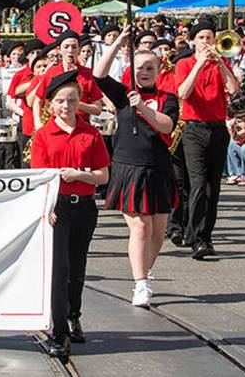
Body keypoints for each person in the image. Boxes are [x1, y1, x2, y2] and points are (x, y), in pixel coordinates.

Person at [94, 26, 178, 308]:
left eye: (149, 68)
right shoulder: (123, 94)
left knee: (157, 230)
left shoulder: (168, 98)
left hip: (158, 167)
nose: (144, 73)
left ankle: (145, 271)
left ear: (158, 71)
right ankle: (140, 283)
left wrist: (143, 106)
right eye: (140, 68)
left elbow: (166, 125)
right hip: (129, 167)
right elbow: (99, 74)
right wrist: (118, 41)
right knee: (140, 227)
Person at [32, 70, 110, 359]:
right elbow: (38, 178)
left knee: (77, 268)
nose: (66, 106)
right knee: (59, 270)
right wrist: (45, 209)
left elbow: (103, 176)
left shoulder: (90, 134)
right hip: (57, 208)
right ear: (51, 104)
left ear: (80, 102)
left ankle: (74, 315)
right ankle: (59, 331)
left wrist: (80, 174)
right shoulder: (42, 135)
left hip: (85, 206)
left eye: (72, 100)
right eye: (61, 101)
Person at [174, 19, 240, 259]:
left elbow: (235, 89)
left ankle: (205, 236)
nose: (206, 42)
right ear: (193, 41)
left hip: (218, 129)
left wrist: (221, 64)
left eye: (209, 38)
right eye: (201, 38)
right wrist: (199, 65)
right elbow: (182, 92)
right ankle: (194, 235)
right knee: (198, 183)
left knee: (213, 186)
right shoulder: (184, 64)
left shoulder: (220, 64)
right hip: (193, 128)